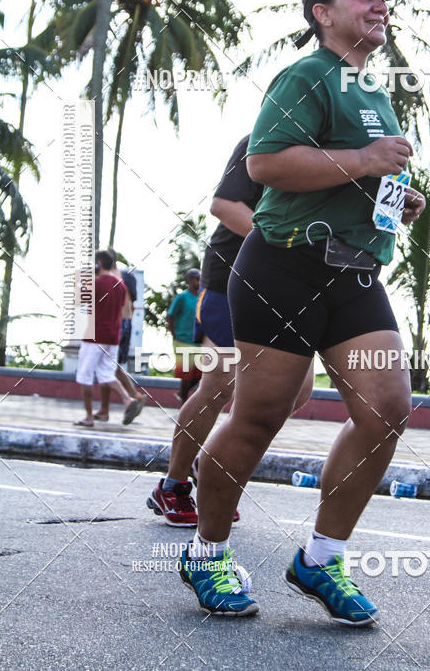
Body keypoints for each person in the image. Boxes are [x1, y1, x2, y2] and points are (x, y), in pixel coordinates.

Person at [181, 0, 426, 623]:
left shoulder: (372, 92)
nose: (379, 5)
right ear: (323, 12)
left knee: (387, 408)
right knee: (259, 417)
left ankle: (320, 559)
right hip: (284, 268)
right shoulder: (307, 75)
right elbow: (266, 163)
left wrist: (392, 194)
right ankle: (207, 555)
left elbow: (347, 172)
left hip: (353, 273)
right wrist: (367, 162)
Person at [147, 135, 314, 527]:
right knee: (218, 383)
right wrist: (281, 243)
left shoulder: (337, 149)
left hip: (289, 287)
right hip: (229, 279)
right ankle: (172, 485)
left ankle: (213, 461)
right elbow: (223, 205)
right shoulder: (266, 137)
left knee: (299, 388)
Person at [75, 250, 143, 427]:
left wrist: (80, 280)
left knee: (85, 376)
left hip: (94, 336)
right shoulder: (120, 285)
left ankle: (89, 417)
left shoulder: (96, 283)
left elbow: (77, 300)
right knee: (106, 374)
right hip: (113, 336)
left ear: (98, 263)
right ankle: (128, 399)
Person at [94, 248, 147, 422]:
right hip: (127, 323)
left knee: (107, 366)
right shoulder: (126, 276)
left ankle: (131, 397)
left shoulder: (104, 278)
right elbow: (133, 301)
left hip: (115, 323)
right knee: (113, 366)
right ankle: (108, 408)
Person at [168, 269, 201, 404]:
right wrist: (174, 335)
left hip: (198, 341)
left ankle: (182, 394)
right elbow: (170, 316)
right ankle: (183, 404)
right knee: (186, 375)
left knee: (200, 374)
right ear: (190, 280)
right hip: (183, 340)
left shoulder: (202, 297)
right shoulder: (182, 297)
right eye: (197, 279)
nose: (199, 282)